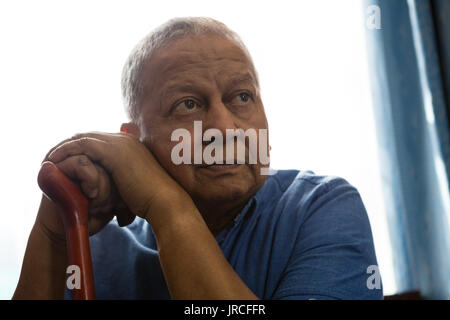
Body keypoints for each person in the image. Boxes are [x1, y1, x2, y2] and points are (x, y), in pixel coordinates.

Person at [13, 17, 383, 300]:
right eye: (188, 105)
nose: (224, 129)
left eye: (241, 96)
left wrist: (167, 206)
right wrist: (52, 233)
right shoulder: (98, 243)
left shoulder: (321, 207)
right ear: (134, 142)